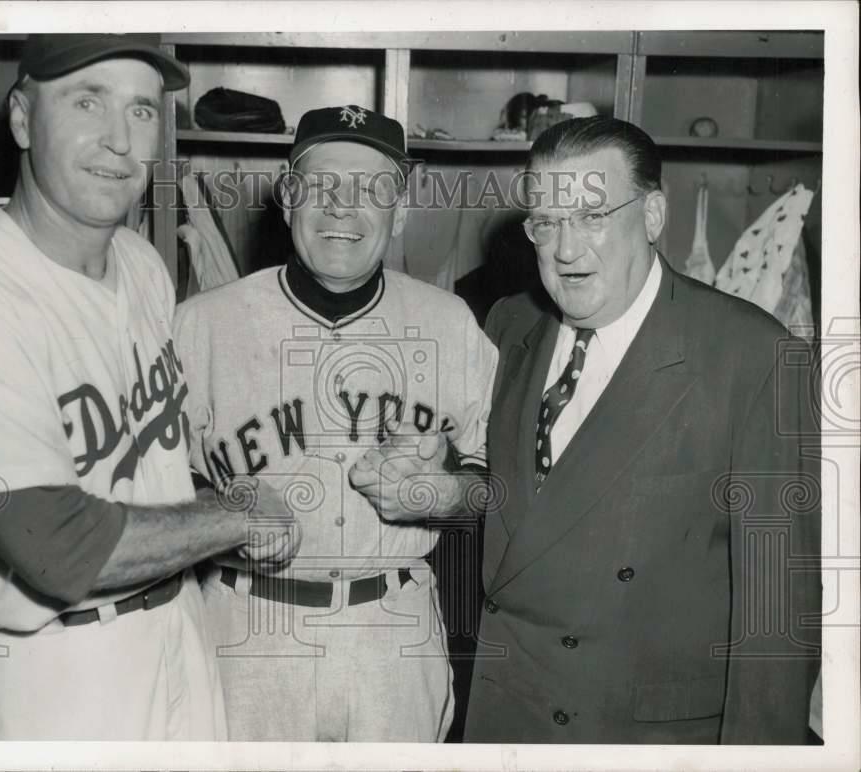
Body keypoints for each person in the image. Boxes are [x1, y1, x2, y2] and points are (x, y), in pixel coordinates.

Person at [0, 34, 299, 741]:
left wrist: (227, 513)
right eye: (88, 101)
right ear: (22, 118)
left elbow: (147, 462)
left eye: (142, 111)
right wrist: (236, 516)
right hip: (48, 671)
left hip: (175, 635)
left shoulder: (141, 262)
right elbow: (57, 546)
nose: (119, 140)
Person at [462, 116, 821, 744]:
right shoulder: (509, 323)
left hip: (639, 735)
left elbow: (777, 614)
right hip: (506, 716)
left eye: (594, 216)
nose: (566, 249)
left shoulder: (750, 354)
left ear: (653, 216)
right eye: (546, 222)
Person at [174, 105, 498, 741]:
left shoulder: (449, 322)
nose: (342, 209)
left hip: (393, 636)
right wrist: (223, 509)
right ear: (289, 199)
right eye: (321, 186)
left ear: (400, 211)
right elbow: (150, 487)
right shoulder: (202, 324)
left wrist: (446, 493)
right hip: (249, 631)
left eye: (371, 190)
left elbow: (493, 486)